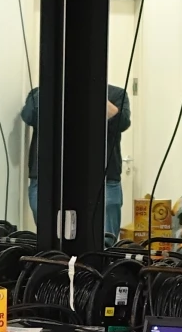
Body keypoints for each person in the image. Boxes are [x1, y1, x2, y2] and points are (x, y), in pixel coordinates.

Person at [21, 80, 131, 236]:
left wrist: (94, 93)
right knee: (49, 237)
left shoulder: (117, 94)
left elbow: (122, 122)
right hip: (48, 178)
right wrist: (52, 88)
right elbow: (29, 116)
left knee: (104, 239)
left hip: (104, 179)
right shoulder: (39, 93)